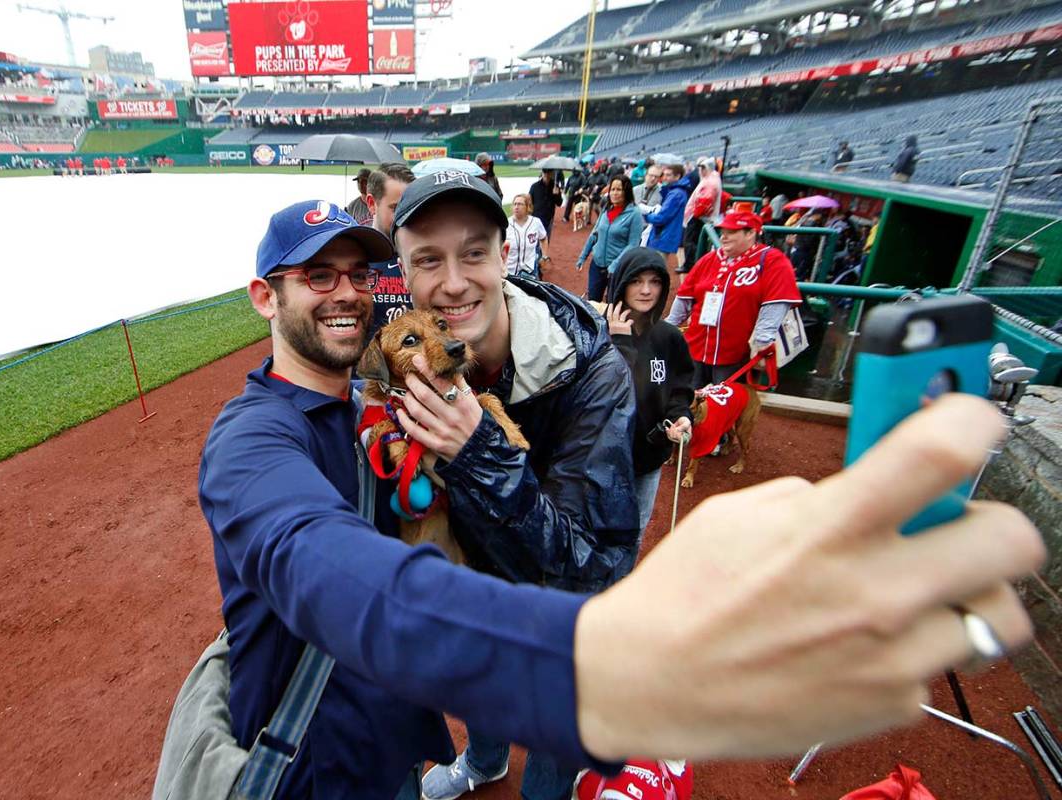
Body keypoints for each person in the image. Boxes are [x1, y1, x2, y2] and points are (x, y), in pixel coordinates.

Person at [185, 199, 1044, 800]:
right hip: (307, 767)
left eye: (356, 275)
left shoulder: (384, 402)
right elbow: (327, 567)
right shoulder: (251, 440)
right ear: (266, 296)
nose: (343, 293)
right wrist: (594, 665)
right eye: (314, 278)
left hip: (392, 745)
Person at [392, 172, 639, 799]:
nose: (452, 281)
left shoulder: (593, 375)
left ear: (507, 254)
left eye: (474, 252)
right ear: (405, 275)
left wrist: (479, 450)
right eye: (428, 260)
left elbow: (593, 568)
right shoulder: (411, 363)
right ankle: (485, 761)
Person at [602, 248, 695, 534]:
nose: (646, 290)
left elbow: (680, 387)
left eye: (655, 281)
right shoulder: (597, 333)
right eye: (636, 281)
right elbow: (608, 391)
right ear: (622, 283)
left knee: (637, 525)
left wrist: (680, 415)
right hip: (602, 457)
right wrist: (620, 344)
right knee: (599, 527)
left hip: (649, 454)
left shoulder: (669, 337)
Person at [666, 208, 802, 388]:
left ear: (751, 233)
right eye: (723, 232)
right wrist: (666, 329)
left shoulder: (771, 261)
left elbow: (777, 302)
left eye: (731, 232)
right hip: (696, 349)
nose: (723, 237)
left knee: (725, 409)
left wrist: (762, 342)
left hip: (735, 356)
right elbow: (684, 297)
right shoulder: (710, 259)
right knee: (686, 403)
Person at [363, 162, 416, 340]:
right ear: (372, 204)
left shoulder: (423, 255)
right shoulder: (355, 254)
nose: (404, 217)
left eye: (410, 207)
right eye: (395, 208)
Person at [577, 174, 643, 303]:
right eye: (612, 189)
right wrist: (583, 256)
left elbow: (633, 244)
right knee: (593, 302)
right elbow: (594, 234)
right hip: (597, 264)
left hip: (618, 268)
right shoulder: (606, 209)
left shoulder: (634, 213)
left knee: (614, 303)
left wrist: (615, 264)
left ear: (627, 191)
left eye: (619, 189)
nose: (614, 193)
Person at [642, 162, 692, 273]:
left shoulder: (676, 194)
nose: (664, 177)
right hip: (665, 235)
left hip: (663, 236)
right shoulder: (676, 191)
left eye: (668, 175)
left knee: (653, 270)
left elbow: (662, 217)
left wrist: (646, 215)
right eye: (664, 174)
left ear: (677, 176)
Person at [681, 157, 728, 266]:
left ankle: (691, 264)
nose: (701, 170)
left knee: (691, 241)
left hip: (700, 216)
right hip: (704, 216)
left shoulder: (710, 181)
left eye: (703, 167)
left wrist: (696, 214)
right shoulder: (711, 178)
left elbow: (705, 201)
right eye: (700, 168)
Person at [506, 192, 551, 278]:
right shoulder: (506, 224)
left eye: (520, 204)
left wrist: (544, 256)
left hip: (530, 271)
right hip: (510, 273)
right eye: (515, 204)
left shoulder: (536, 222)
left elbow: (544, 238)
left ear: (527, 207)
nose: (516, 207)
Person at [528, 168, 563, 239]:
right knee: (535, 241)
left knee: (546, 240)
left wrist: (557, 194)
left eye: (549, 172)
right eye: (545, 172)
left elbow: (559, 203)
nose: (546, 174)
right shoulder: (534, 186)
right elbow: (529, 201)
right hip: (536, 217)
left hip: (548, 218)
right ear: (542, 172)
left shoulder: (555, 187)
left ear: (552, 173)